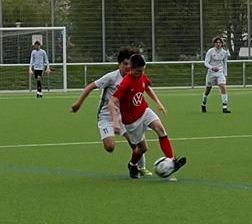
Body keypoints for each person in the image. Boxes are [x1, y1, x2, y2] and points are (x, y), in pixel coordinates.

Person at [70, 46, 148, 175]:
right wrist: (78, 103)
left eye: (130, 64)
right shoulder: (111, 77)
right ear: (119, 64)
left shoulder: (134, 77)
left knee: (135, 142)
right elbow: (91, 86)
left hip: (123, 116)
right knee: (110, 147)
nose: (128, 67)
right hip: (106, 116)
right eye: (125, 64)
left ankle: (140, 167)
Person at [109, 53, 186, 179]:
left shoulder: (142, 76)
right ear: (131, 69)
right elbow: (112, 102)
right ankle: (132, 165)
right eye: (138, 71)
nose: (141, 73)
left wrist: (158, 103)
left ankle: (171, 160)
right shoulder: (126, 83)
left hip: (144, 111)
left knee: (160, 128)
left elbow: (147, 88)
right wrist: (115, 122)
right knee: (142, 149)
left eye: (143, 70)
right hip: (131, 121)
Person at [201, 36, 231, 113]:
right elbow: (206, 63)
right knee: (208, 90)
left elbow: (225, 64)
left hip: (220, 73)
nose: (218, 44)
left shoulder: (224, 52)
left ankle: (225, 107)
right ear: (214, 43)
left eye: (220, 42)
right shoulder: (210, 51)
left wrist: (225, 74)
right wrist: (212, 68)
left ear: (222, 44)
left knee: (222, 86)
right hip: (211, 73)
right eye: (217, 42)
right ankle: (203, 103)